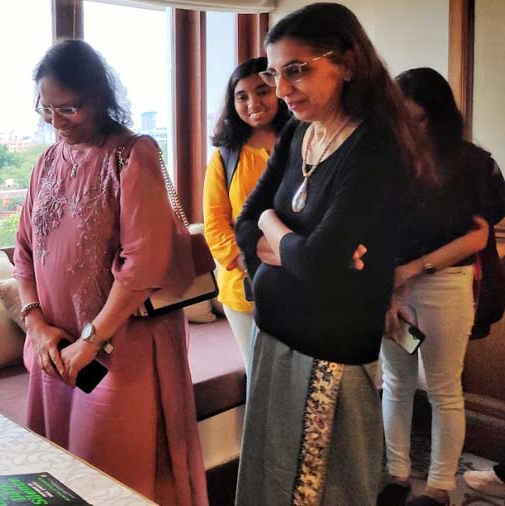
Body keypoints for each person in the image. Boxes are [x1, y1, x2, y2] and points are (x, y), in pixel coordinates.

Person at [233, 3, 423, 504]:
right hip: (273, 335)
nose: (282, 89)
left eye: (297, 70)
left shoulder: (375, 145)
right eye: (276, 73)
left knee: (319, 488)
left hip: (330, 351)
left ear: (347, 63)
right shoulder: (297, 131)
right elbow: (244, 219)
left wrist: (274, 229)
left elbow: (317, 265)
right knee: (272, 476)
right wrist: (288, 236)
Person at [13, 39, 207, 505]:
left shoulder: (132, 154)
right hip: (56, 349)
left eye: (70, 109)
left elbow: (144, 264)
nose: (57, 123)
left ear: (98, 97)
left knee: (115, 474)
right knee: (58, 471)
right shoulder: (47, 162)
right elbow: (23, 251)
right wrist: (36, 325)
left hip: (120, 349)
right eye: (47, 110)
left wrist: (92, 340)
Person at [377, 67, 505, 506]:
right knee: (395, 381)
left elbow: (478, 236)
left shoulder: (472, 163)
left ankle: (440, 486)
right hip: (391, 286)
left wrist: (411, 269)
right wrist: (390, 290)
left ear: (436, 113)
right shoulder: (385, 160)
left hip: (445, 284)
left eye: (414, 117)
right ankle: (396, 474)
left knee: (443, 386)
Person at [204, 56, 290, 374]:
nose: (253, 102)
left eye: (262, 91)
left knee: (298, 382)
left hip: (301, 283)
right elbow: (214, 223)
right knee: (260, 376)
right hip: (245, 288)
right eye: (242, 96)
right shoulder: (225, 157)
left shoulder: (302, 143)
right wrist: (248, 261)